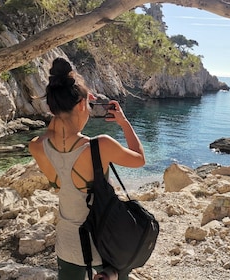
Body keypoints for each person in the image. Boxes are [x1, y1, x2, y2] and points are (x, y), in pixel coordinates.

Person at [29, 57, 145, 280]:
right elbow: (139, 159)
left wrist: (61, 108)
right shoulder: (101, 145)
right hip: (103, 244)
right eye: (87, 105)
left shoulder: (36, 147)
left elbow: (53, 133)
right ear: (82, 104)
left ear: (53, 107)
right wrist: (124, 123)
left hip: (66, 246)